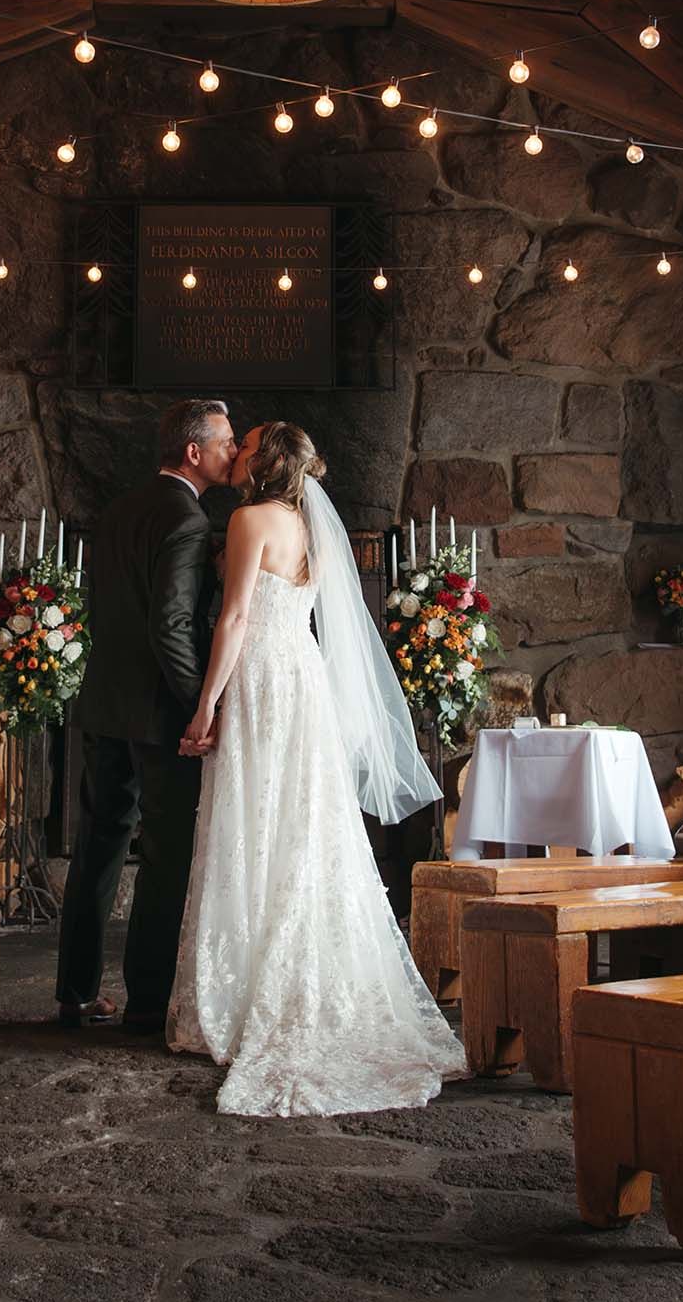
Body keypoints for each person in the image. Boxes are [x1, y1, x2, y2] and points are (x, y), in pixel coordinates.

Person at [167, 421, 466, 1115]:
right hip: (304, 680)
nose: (235, 448)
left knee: (256, 816)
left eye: (244, 444)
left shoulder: (248, 520)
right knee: (303, 823)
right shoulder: (311, 528)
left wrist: (205, 705)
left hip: (262, 680)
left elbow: (236, 617)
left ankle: (250, 992)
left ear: (261, 462)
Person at [53, 399, 238, 1030]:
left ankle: (75, 992)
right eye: (225, 441)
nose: (233, 451)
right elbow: (171, 626)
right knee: (165, 855)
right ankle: (149, 1002)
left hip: (103, 702)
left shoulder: (122, 508)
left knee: (98, 847)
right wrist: (198, 707)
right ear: (194, 451)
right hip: (160, 714)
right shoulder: (185, 519)